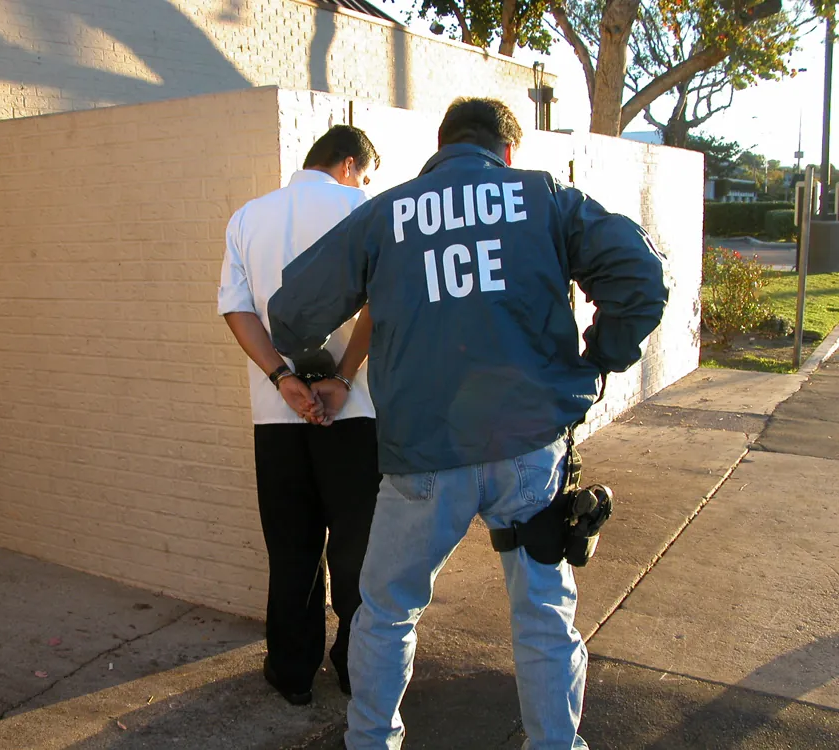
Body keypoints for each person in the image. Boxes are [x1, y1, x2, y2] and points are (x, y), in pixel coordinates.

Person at [267, 98, 668, 748]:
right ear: (506, 153)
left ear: (442, 144)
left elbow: (289, 315)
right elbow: (641, 277)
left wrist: (325, 361)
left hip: (423, 456)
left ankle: (370, 742)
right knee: (543, 616)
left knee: (388, 612)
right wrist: (597, 364)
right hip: (529, 451)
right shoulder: (546, 199)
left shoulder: (388, 213)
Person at [217, 125, 383, 706]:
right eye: (364, 173)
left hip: (276, 416)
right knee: (358, 550)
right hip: (355, 413)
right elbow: (381, 303)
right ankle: (357, 669)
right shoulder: (369, 208)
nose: (363, 183)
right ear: (348, 164)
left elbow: (236, 309)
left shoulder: (248, 217)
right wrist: (340, 377)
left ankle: (292, 672)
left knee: (292, 550)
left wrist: (282, 378)